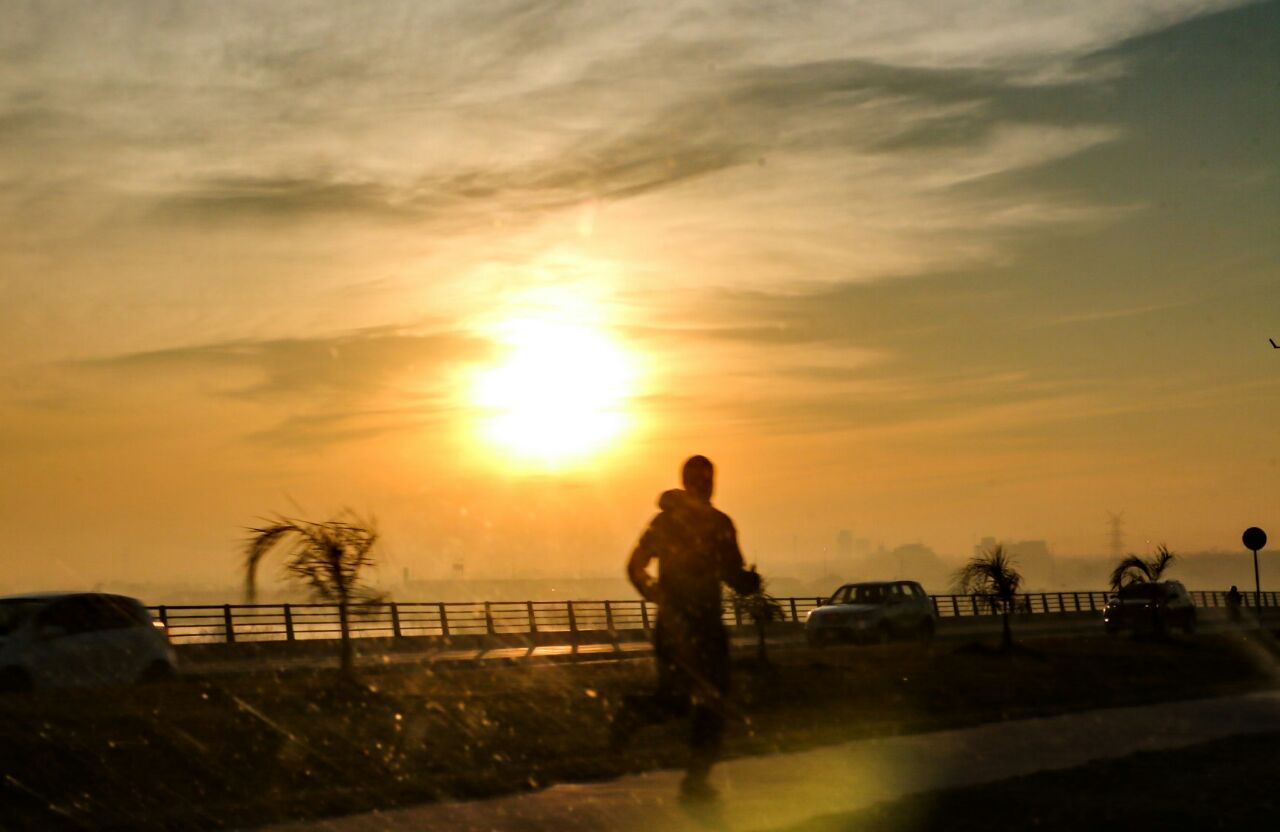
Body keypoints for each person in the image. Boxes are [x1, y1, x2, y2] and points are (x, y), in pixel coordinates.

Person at [611, 455, 761, 801]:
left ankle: (692, 777)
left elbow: (636, 568)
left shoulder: (684, 522)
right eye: (699, 480)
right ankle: (691, 777)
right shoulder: (696, 522)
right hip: (688, 626)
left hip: (690, 625)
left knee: (700, 702)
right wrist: (658, 594)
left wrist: (658, 594)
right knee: (693, 701)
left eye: (707, 480)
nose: (704, 486)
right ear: (688, 483)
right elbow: (636, 566)